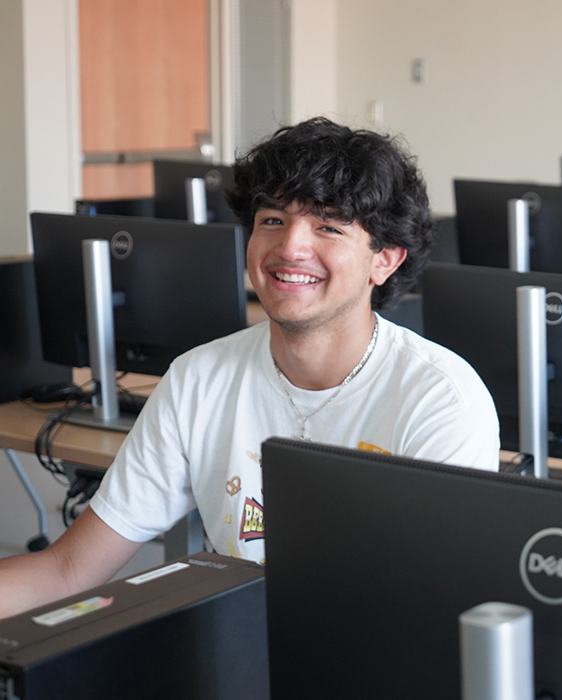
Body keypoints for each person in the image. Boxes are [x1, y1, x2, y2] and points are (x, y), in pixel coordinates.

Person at [0, 118, 500, 618]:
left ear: (384, 261)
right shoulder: (199, 378)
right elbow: (68, 569)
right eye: (273, 221)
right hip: (239, 649)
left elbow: (430, 615)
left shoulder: (441, 400)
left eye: (328, 226)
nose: (290, 248)